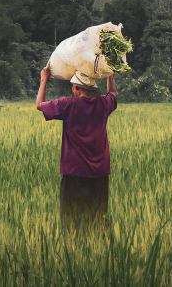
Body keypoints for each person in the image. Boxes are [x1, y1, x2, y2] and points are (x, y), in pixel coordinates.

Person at [35, 61, 117, 231]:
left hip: (74, 173)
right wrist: (110, 74)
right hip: (100, 173)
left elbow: (39, 105)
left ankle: (74, 252)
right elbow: (113, 93)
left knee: (71, 220)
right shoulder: (103, 104)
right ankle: (100, 251)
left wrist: (44, 79)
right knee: (97, 218)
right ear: (92, 89)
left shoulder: (68, 105)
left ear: (76, 89)